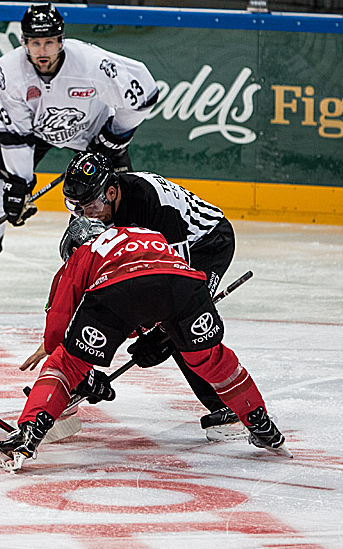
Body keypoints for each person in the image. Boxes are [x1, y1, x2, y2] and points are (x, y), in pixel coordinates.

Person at [0, 217, 289, 472]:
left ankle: (30, 432)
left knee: (65, 363)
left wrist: (69, 361)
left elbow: (61, 322)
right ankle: (261, 424)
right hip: (184, 285)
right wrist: (164, 333)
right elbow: (161, 283)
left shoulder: (83, 253)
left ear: (73, 247)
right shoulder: (148, 234)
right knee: (212, 359)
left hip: (120, 291)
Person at [0, 2, 159, 306]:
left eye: (49, 42)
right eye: (35, 42)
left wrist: (115, 135)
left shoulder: (91, 63)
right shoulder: (8, 71)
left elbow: (145, 92)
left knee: (112, 206)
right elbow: (15, 133)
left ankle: (107, 280)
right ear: (24, 42)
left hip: (94, 134)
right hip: (38, 131)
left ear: (61, 40)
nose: (43, 50)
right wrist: (18, 185)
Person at [62, 150, 243, 442]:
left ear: (111, 191)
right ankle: (70, 382)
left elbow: (177, 286)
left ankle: (228, 407)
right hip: (160, 254)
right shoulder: (94, 211)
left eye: (89, 204)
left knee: (185, 326)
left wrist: (161, 338)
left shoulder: (153, 203)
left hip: (206, 245)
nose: (84, 213)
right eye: (75, 205)